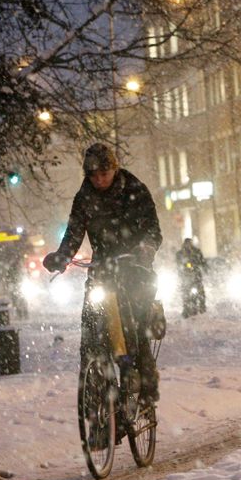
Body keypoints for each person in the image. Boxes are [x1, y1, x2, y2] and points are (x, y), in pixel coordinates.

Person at [42, 143, 163, 403]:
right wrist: (62, 257)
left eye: (104, 174)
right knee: (91, 329)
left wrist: (145, 248)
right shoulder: (84, 197)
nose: (99, 180)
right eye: (94, 176)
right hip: (103, 269)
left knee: (137, 327)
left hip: (134, 266)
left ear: (114, 169)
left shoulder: (134, 189)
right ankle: (97, 403)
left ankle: (146, 380)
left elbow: (153, 228)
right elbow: (74, 232)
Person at [175, 238, 207, 317]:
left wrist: (203, 268)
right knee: (185, 292)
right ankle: (185, 308)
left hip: (196, 276)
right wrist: (181, 269)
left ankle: (202, 306)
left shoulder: (197, 252)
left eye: (190, 244)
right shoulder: (180, 253)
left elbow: (202, 262)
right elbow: (178, 264)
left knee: (200, 291)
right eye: (187, 244)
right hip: (185, 277)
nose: (188, 245)